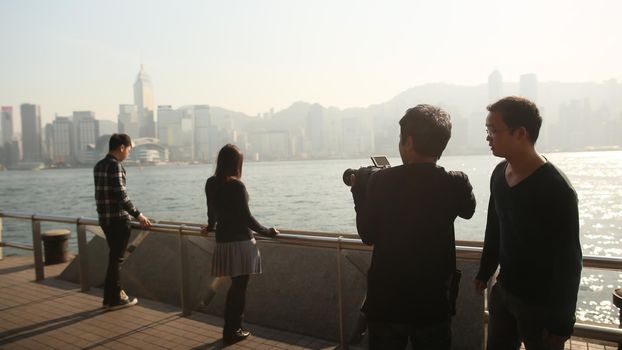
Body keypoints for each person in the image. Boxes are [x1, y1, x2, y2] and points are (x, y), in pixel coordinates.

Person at [351, 104, 476, 349]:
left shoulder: (380, 181)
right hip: (434, 301)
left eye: (400, 139)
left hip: (387, 301)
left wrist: (358, 192)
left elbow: (367, 234)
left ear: (408, 141)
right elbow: (468, 211)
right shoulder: (456, 182)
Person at [474, 96, 582, 350]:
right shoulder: (500, 174)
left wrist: (562, 321)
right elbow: (495, 226)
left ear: (521, 133)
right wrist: (485, 270)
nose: (488, 137)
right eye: (486, 131)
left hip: (540, 305)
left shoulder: (556, 189)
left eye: (494, 130)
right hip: (504, 292)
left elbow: (569, 260)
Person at [201, 144, 279, 344]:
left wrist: (210, 227)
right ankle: (233, 329)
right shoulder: (237, 186)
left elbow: (211, 212)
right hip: (241, 243)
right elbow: (247, 217)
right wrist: (267, 231)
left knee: (234, 287)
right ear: (237, 164)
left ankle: (231, 329)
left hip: (223, 242)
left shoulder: (211, 183)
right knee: (239, 288)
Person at [94, 133, 152, 310]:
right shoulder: (116, 166)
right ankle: (115, 298)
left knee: (114, 259)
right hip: (119, 220)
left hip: (104, 220)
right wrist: (138, 215)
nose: (128, 153)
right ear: (121, 148)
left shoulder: (99, 166)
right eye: (128, 149)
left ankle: (109, 298)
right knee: (116, 260)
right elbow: (121, 195)